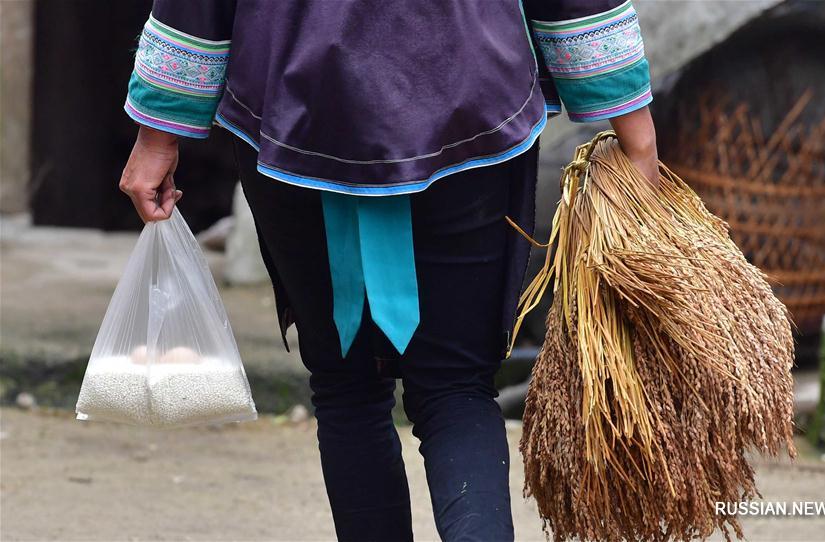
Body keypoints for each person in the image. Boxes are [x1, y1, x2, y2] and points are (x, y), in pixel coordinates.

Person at [118, 1, 659, 540]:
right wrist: (634, 130)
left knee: (347, 381)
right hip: (469, 101)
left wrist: (158, 133)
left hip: (296, 104)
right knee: (456, 384)